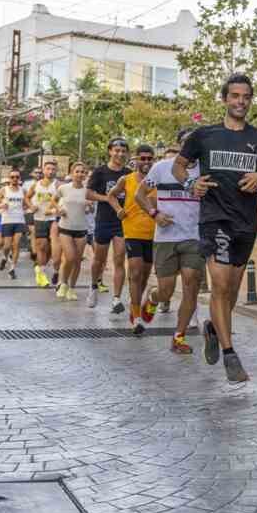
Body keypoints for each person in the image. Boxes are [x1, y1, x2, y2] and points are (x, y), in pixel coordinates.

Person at [176, 74, 257, 383]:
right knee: (221, 285)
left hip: (245, 223)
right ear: (225, 99)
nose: (240, 101)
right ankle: (230, 353)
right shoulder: (204, 135)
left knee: (232, 291)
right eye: (235, 95)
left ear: (250, 100)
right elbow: (178, 166)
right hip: (215, 219)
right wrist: (190, 183)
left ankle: (213, 327)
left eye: (246, 96)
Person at [140, 131, 203, 354]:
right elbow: (141, 194)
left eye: (195, 142)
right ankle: (153, 298)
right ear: (180, 145)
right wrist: (154, 213)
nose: (191, 146)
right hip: (165, 238)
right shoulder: (162, 167)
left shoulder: (206, 170)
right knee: (166, 291)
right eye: (187, 143)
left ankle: (179, 337)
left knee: (191, 284)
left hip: (194, 237)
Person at [86, 139, 131, 310]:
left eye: (123, 151)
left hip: (121, 221)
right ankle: (93, 286)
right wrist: (107, 198)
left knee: (119, 259)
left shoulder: (128, 173)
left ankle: (116, 298)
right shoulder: (100, 172)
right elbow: (88, 194)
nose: (120, 154)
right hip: (103, 220)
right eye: (116, 150)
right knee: (99, 260)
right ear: (110, 151)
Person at [119, 145, 159, 333]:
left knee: (143, 275)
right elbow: (111, 197)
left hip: (153, 234)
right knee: (135, 273)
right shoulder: (126, 180)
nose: (146, 162)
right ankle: (136, 317)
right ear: (135, 159)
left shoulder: (159, 180)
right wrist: (118, 209)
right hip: (132, 232)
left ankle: (137, 305)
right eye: (142, 158)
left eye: (149, 158)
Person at [55, 162, 93, 299]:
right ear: (72, 173)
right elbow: (54, 200)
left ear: (86, 175)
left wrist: (90, 206)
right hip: (65, 227)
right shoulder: (64, 188)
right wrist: (59, 210)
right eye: (77, 171)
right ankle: (63, 283)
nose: (80, 174)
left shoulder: (88, 191)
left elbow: (91, 210)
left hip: (81, 228)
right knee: (70, 257)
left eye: (83, 172)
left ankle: (71, 288)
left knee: (77, 260)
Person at [25, 161, 60, 288]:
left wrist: (53, 209)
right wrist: (31, 206)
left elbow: (62, 200)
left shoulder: (58, 185)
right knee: (42, 245)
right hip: (39, 218)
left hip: (53, 218)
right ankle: (42, 273)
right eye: (48, 169)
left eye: (53, 169)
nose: (50, 171)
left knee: (51, 247)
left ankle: (42, 268)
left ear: (56, 171)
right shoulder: (36, 185)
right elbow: (27, 197)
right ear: (44, 170)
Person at [0, 170, 28, 279]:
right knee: (7, 245)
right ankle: (4, 257)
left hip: (19, 220)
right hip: (7, 220)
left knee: (16, 244)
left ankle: (12, 268)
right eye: (12, 177)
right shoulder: (4, 190)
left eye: (17, 177)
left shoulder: (23, 190)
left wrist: (26, 208)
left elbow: (26, 203)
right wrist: (1, 206)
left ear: (19, 178)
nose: (15, 179)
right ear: (9, 178)